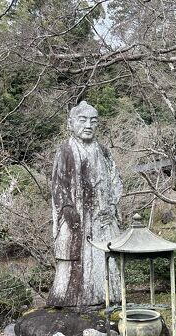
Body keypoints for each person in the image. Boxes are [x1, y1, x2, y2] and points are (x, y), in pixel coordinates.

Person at [48, 101, 122, 307]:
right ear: (71, 124)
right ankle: (71, 299)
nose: (88, 125)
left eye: (93, 121)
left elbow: (116, 181)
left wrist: (111, 207)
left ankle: (108, 298)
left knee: (105, 257)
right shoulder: (65, 151)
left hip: (102, 216)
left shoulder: (104, 152)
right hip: (77, 217)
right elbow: (58, 185)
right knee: (74, 259)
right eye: (83, 120)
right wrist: (67, 209)